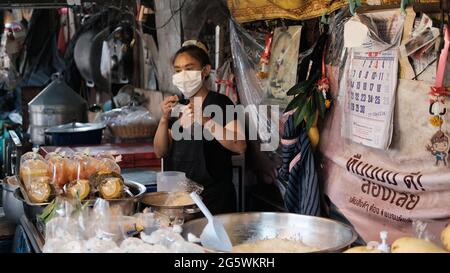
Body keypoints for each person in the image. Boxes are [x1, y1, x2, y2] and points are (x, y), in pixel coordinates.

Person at [153, 41, 246, 214]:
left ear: (204, 70)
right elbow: (160, 152)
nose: (183, 75)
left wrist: (205, 120)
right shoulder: (177, 106)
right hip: (182, 201)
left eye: (189, 68)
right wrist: (164, 118)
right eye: (178, 70)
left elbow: (240, 146)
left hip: (215, 200)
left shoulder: (221, 103)